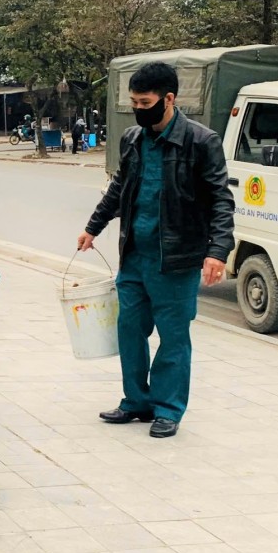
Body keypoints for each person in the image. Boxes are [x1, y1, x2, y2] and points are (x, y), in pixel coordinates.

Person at [77, 62, 234, 439]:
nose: (138, 108)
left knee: (173, 336)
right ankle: (136, 402)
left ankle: (167, 407)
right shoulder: (133, 138)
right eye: (133, 101)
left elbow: (220, 200)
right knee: (129, 330)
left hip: (176, 260)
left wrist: (218, 251)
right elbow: (118, 189)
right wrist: (92, 227)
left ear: (169, 99)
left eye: (145, 101)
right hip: (134, 256)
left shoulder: (201, 141)